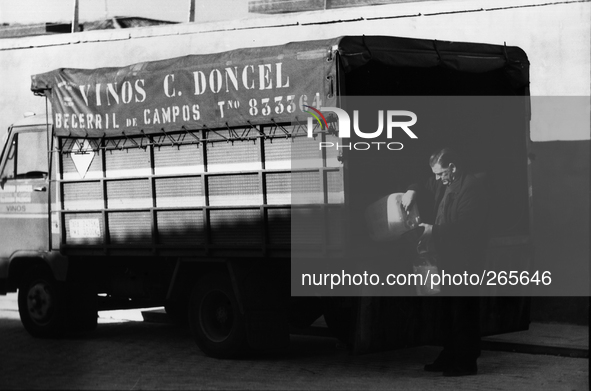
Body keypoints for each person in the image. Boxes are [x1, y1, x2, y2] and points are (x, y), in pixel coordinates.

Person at [402, 147, 488, 377]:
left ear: (453, 167)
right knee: (448, 312)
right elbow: (423, 182)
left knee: (463, 313)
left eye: (440, 173)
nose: (437, 179)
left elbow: (467, 230)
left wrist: (433, 231)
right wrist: (411, 191)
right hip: (447, 258)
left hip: (465, 261)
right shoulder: (444, 182)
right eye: (436, 175)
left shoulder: (471, 188)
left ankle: (466, 363)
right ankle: (449, 355)